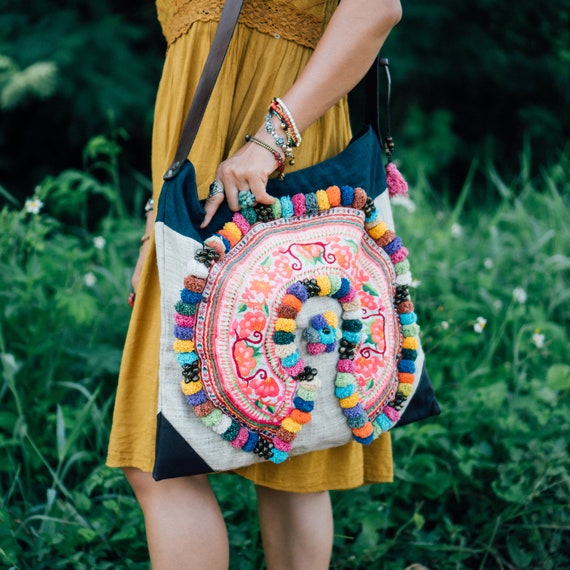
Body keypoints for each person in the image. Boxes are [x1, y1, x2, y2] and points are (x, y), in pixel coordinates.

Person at [107, 0, 402, 567]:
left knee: (163, 456)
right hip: (212, 171)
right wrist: (157, 218)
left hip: (271, 156)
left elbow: (375, 7)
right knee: (287, 458)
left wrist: (273, 137)